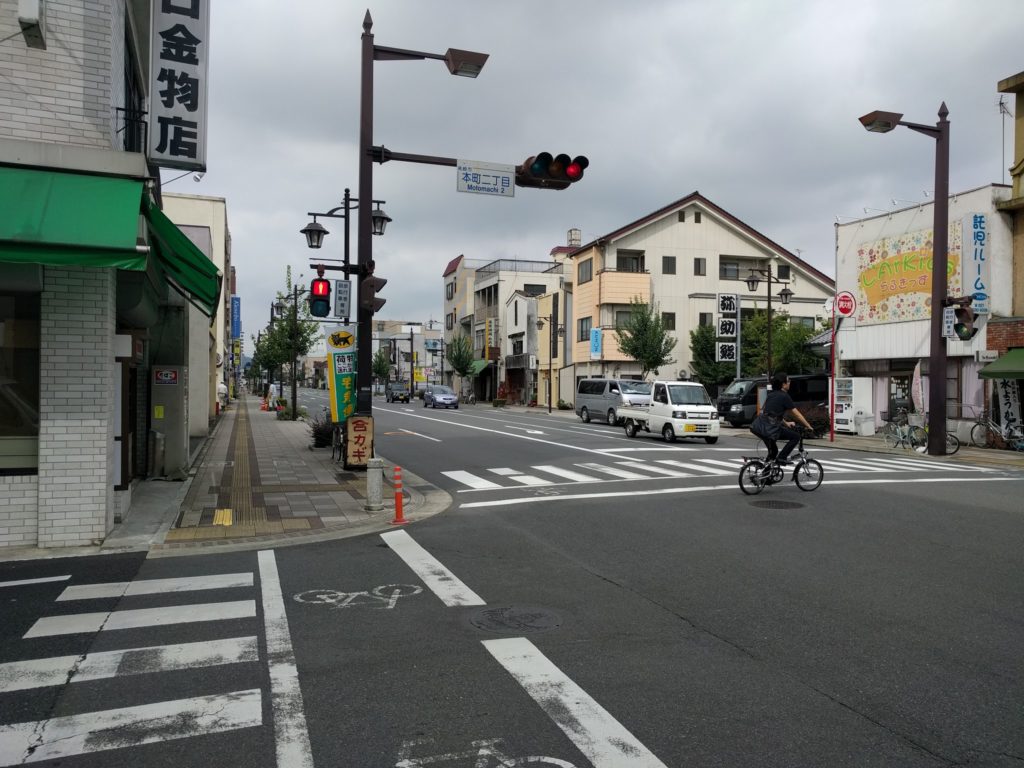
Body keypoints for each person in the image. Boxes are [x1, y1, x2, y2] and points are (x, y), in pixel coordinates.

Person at [762, 371, 813, 464]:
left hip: (762, 428)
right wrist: (808, 426)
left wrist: (787, 423)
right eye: (788, 381)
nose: (790, 383)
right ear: (783, 384)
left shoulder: (771, 395)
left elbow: (773, 415)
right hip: (772, 429)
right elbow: (796, 414)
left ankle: (766, 476)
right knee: (795, 437)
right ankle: (782, 458)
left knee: (773, 453)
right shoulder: (784, 396)